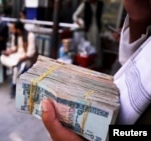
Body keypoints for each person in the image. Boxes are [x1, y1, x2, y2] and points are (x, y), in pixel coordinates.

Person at [41, 0, 151, 140]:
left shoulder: (99, 4)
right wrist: (138, 21)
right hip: (89, 31)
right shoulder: (85, 5)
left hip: (96, 30)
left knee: (96, 53)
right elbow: (130, 61)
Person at [0, 21, 38, 98]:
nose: (11, 31)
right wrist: (8, 52)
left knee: (16, 68)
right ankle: (15, 64)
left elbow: (31, 53)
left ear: (19, 29)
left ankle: (13, 86)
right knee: (2, 57)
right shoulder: (15, 35)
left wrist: (21, 59)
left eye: (13, 29)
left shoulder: (30, 36)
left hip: (27, 58)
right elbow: (15, 48)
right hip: (17, 56)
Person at [72, 0, 104, 68]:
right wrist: (79, 23)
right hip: (88, 29)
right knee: (90, 46)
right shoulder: (85, 4)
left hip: (97, 28)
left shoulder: (100, 4)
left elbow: (100, 17)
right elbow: (75, 15)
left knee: (97, 46)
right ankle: (90, 64)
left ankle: (97, 64)